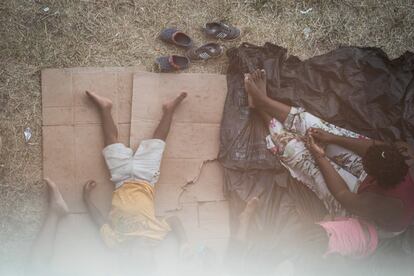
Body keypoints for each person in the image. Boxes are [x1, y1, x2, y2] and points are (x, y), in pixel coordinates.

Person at [244, 68, 414, 258]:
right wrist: (332, 138)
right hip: (376, 183)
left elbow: (343, 195)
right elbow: (370, 148)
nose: (360, 162)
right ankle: (263, 101)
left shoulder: (386, 203)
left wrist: (321, 157)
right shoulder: (401, 157)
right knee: (321, 130)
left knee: (306, 161)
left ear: (375, 178)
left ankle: (260, 109)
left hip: (361, 213)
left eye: (365, 166)